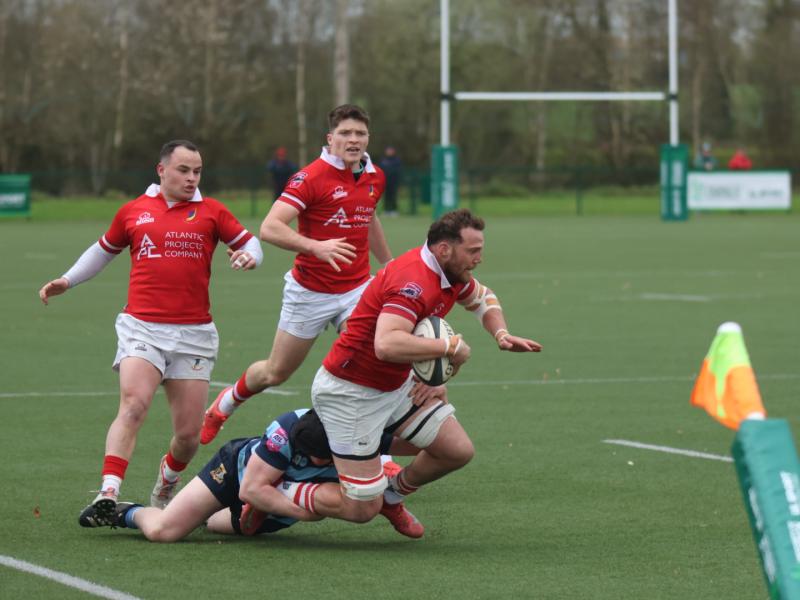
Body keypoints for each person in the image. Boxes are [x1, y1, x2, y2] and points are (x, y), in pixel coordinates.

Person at [38, 140, 264, 524]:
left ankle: (165, 483)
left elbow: (252, 243)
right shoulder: (134, 211)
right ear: (161, 170)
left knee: (189, 436)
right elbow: (103, 250)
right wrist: (68, 280)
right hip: (141, 326)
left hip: (194, 334)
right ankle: (108, 491)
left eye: (197, 171)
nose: (191, 178)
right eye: (183, 170)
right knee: (134, 404)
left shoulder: (212, 212)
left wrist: (249, 256)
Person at [273, 209, 542, 529]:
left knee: (456, 450)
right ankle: (276, 490)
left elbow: (483, 298)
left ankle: (392, 495)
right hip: (350, 392)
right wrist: (449, 347)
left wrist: (500, 333)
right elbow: (386, 344)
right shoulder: (412, 282)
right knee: (360, 509)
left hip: (394, 387)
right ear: (444, 249)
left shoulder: (451, 273)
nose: (479, 258)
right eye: (473, 251)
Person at [200, 104, 393, 445]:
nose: (353, 139)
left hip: (358, 290)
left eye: (360, 133)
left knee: (372, 361)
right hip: (310, 292)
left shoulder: (375, 175)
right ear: (330, 138)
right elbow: (270, 228)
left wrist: (388, 265)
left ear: (368, 138)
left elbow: (369, 217)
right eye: (345, 133)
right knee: (276, 372)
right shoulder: (310, 177)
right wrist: (316, 247)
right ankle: (224, 404)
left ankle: (376, 454)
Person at [78, 408, 424, 540]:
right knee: (164, 531)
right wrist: (304, 513)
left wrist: (429, 416)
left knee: (211, 525)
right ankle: (126, 512)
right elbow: (250, 489)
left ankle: (389, 500)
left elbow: (420, 445)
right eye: (311, 457)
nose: (317, 462)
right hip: (237, 475)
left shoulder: (352, 436)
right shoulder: (286, 430)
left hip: (276, 502)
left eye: (323, 458)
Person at [378, 146, 402, 216]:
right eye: (388, 151)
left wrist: (398, 182)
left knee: (393, 196)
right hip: (385, 182)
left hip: (394, 183)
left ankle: (394, 210)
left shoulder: (396, 161)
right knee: (386, 197)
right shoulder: (383, 160)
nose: (389, 152)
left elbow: (399, 172)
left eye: (391, 151)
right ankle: (386, 210)